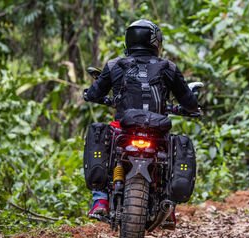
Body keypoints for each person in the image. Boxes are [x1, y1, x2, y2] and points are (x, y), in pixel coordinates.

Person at [83, 19, 198, 218]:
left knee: (104, 137)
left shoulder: (114, 65)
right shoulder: (169, 67)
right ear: (156, 41)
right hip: (158, 130)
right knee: (170, 148)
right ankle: (168, 206)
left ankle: (100, 199)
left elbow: (93, 94)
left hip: (124, 127)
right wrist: (191, 107)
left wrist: (100, 96)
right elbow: (189, 102)